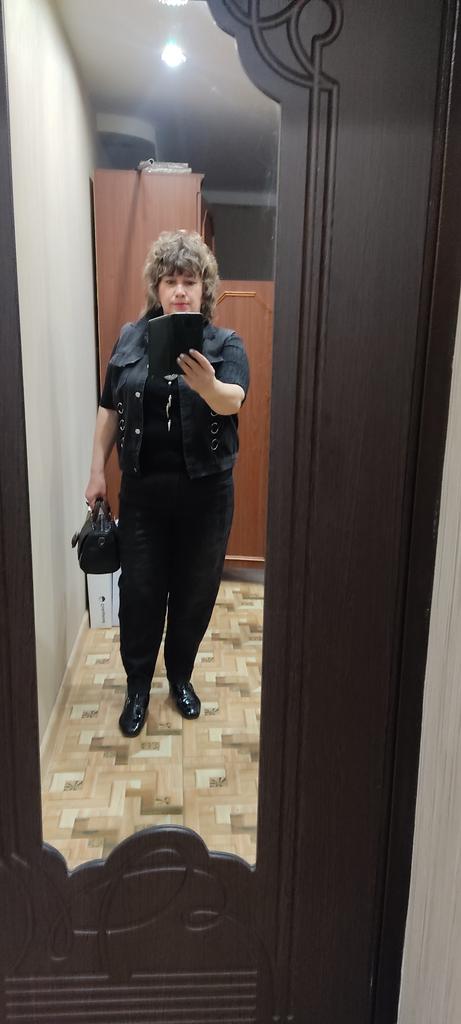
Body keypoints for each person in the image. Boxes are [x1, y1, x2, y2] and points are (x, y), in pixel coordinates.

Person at [85, 230, 249, 738]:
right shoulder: (130, 338)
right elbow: (110, 407)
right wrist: (97, 470)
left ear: (205, 289)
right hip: (143, 493)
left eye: (190, 281)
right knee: (139, 591)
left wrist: (209, 384)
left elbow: (234, 400)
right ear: (157, 287)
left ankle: (180, 677)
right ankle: (137, 685)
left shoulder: (224, 343)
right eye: (171, 280)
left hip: (208, 495)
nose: (180, 290)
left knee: (195, 591)